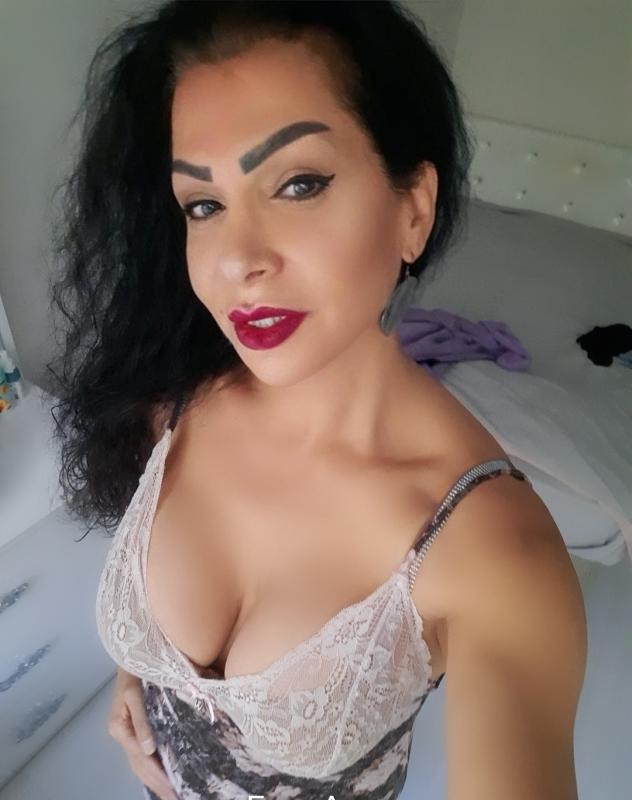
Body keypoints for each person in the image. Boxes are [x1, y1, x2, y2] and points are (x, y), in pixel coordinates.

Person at [47, 2, 587, 799]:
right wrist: (140, 678)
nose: (238, 261)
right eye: (203, 205)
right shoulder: (176, 397)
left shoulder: (494, 553)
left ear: (413, 210)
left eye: (298, 184)